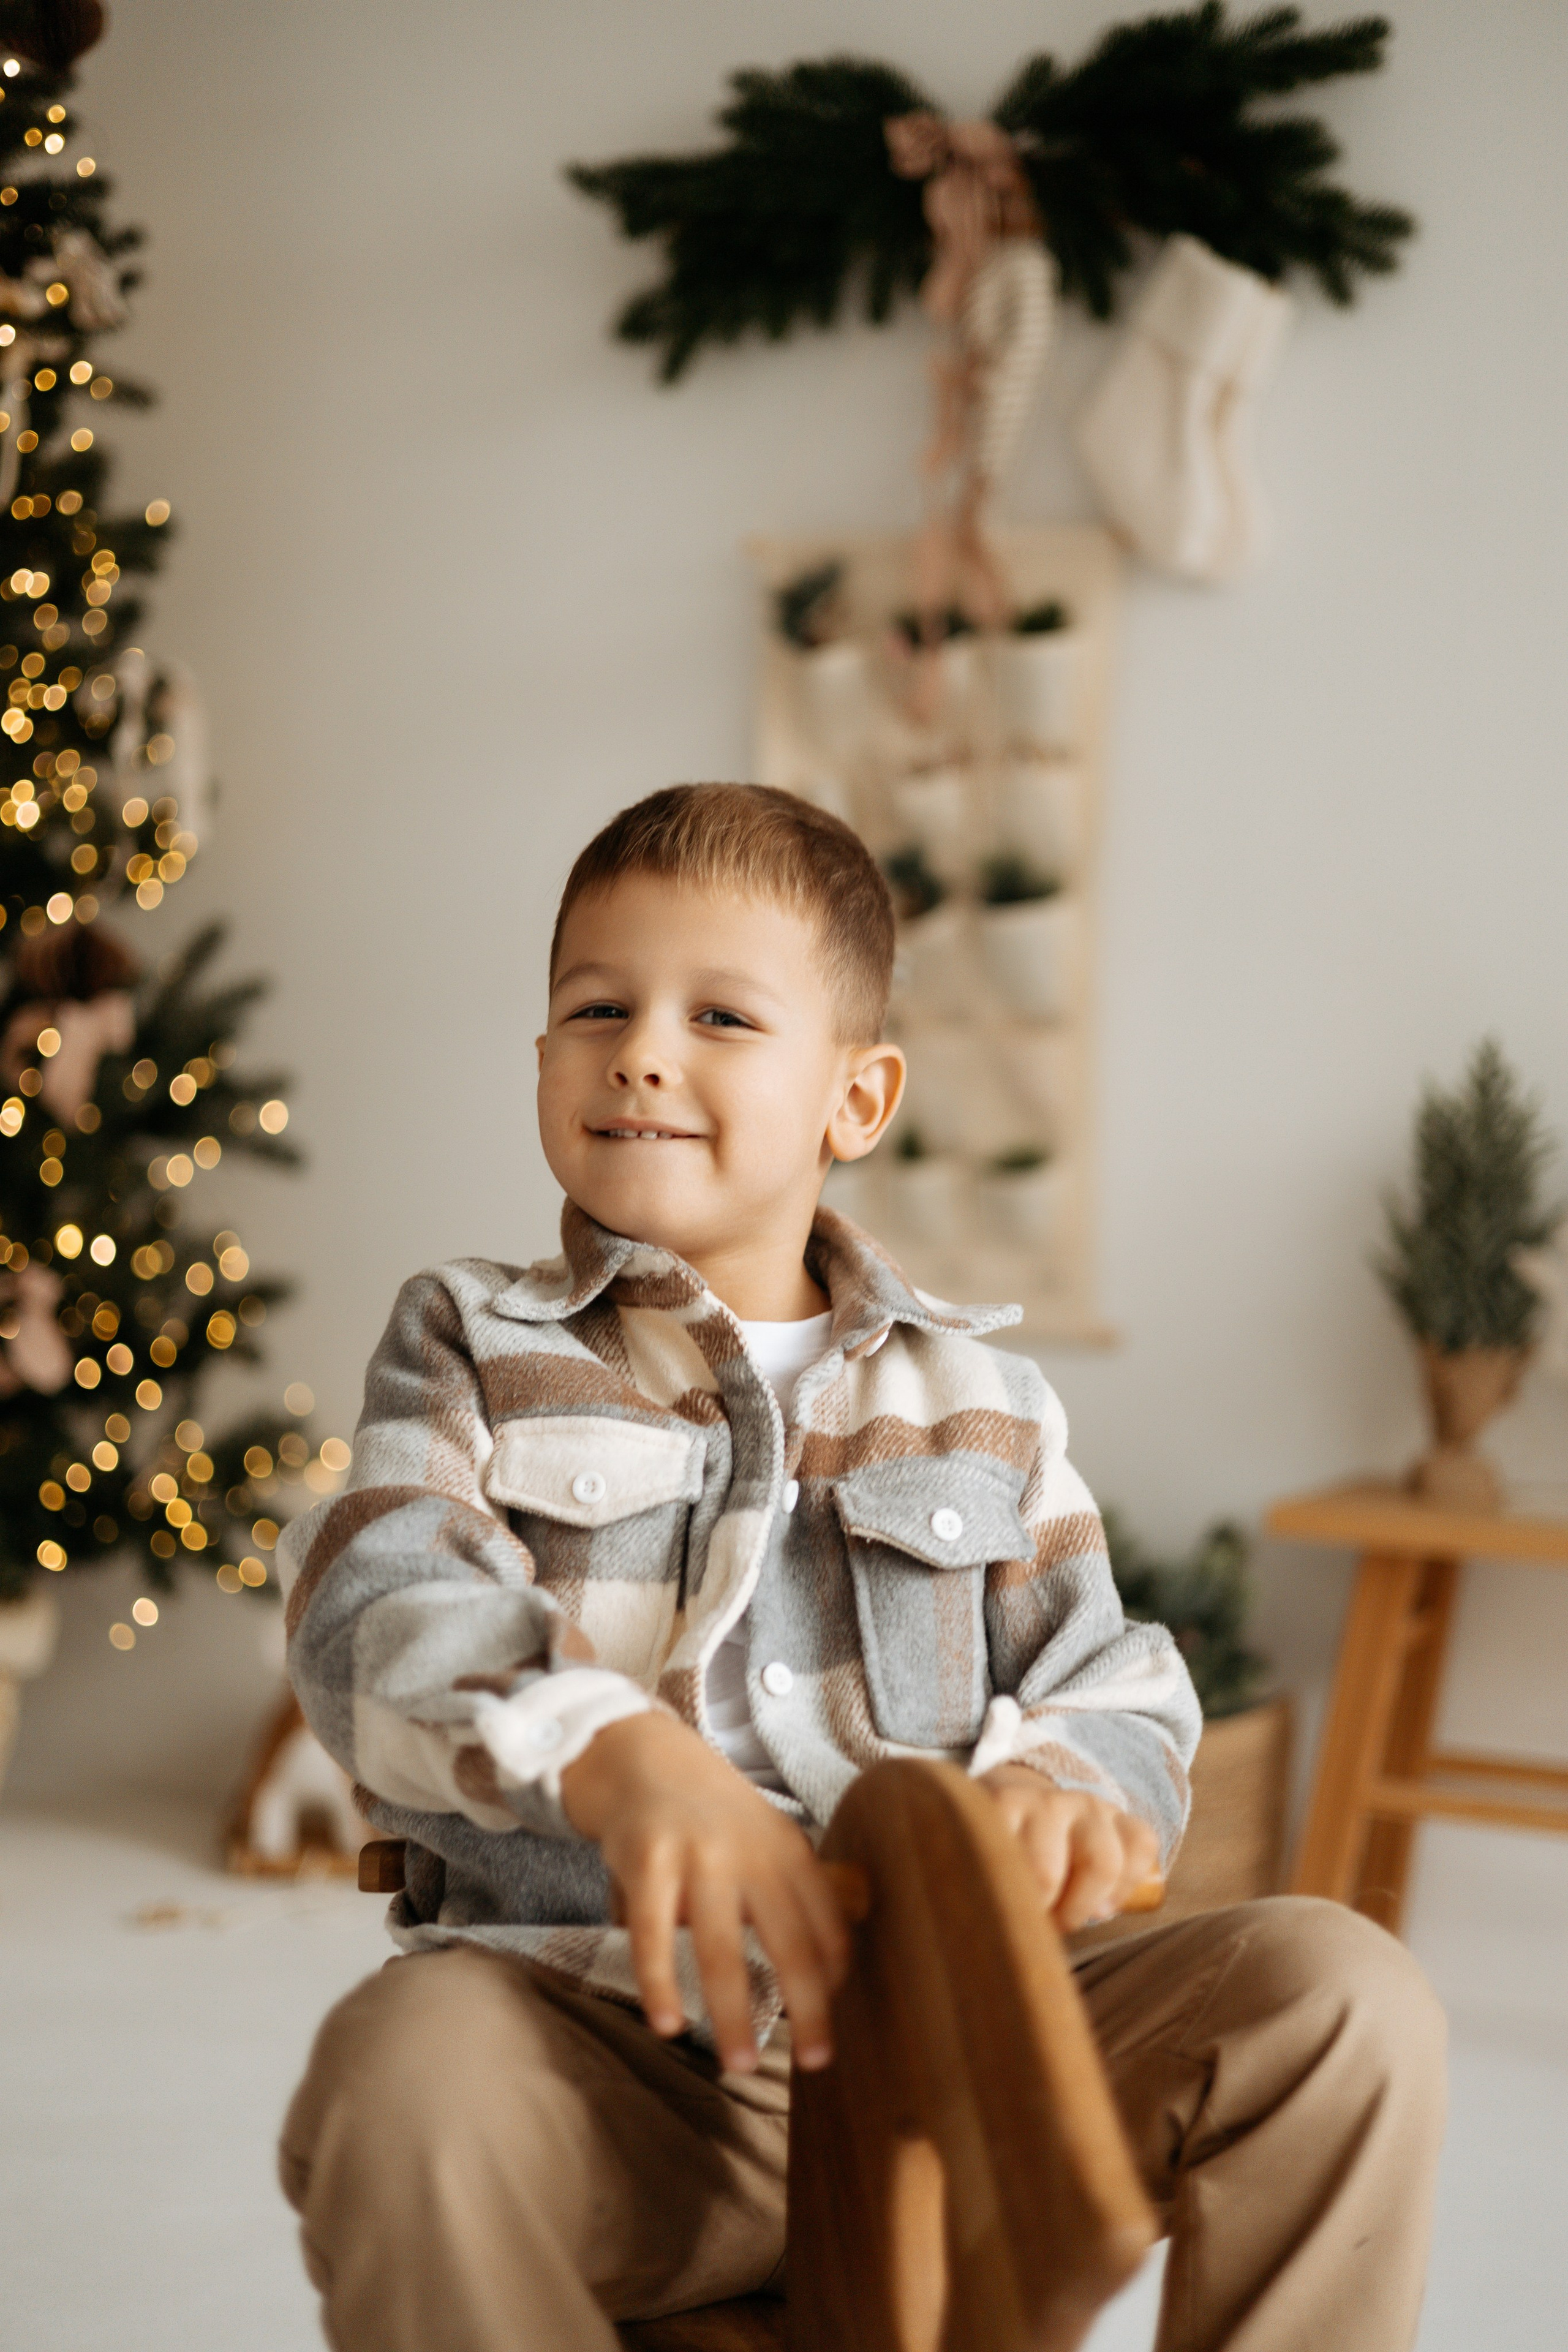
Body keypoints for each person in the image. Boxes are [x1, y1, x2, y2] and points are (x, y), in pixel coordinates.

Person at [277, 784, 1445, 2352]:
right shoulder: (471, 1340)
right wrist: (608, 1750)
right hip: (617, 2066)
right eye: (596, 1007)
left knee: (1341, 1996)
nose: (642, 1049)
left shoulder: (982, 1405)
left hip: (945, 2073)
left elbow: (1117, 1680)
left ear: (857, 1097)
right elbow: (375, 1595)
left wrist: (1064, 1792)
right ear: (543, 1058)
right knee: (403, 2067)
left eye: (721, 1017)